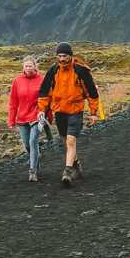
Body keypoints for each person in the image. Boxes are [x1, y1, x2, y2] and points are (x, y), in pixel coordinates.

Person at [37, 43, 100, 188]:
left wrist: (93, 113)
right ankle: (76, 165)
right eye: (59, 56)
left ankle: (67, 172)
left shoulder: (80, 71)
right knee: (66, 142)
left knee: (71, 141)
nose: (62, 59)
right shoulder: (53, 71)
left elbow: (92, 93)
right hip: (59, 111)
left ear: (70, 55)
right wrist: (42, 110)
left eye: (64, 56)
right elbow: (44, 92)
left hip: (75, 110)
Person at [7, 54, 44, 182]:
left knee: (33, 141)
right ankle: (36, 157)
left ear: (35, 66)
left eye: (30, 65)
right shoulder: (17, 81)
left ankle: (32, 171)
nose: (28, 68)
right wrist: (11, 121)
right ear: (23, 67)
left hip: (36, 116)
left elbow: (45, 99)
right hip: (22, 118)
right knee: (28, 145)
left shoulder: (41, 79)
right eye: (26, 66)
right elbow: (13, 102)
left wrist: (45, 115)